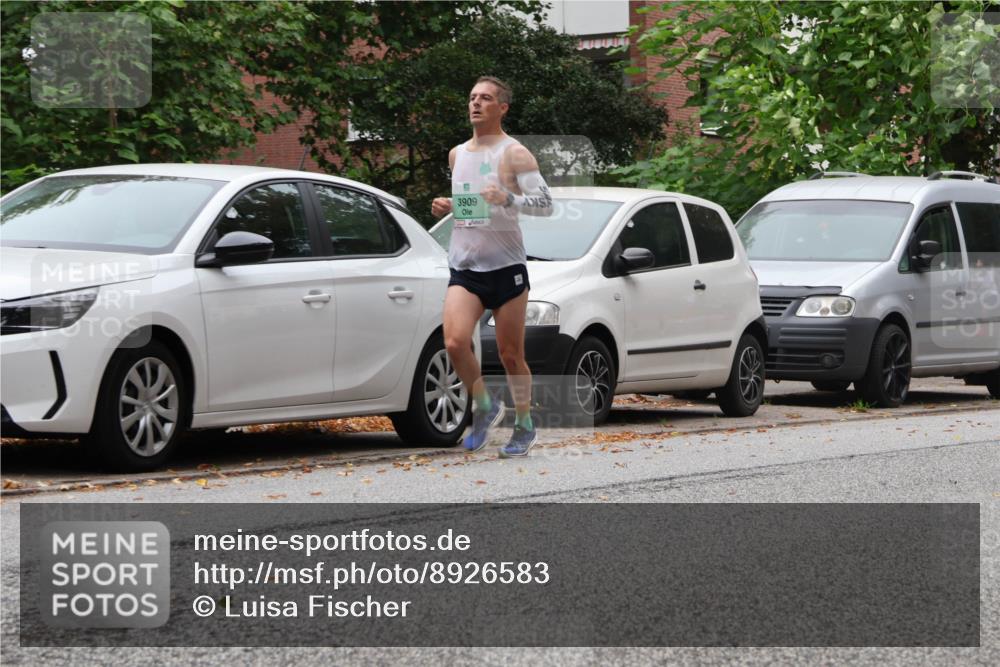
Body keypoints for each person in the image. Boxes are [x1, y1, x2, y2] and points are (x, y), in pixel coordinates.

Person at [431, 75, 553, 457]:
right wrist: (448, 207)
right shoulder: (457, 155)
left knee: (510, 355)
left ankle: (524, 424)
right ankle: (484, 405)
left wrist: (508, 199)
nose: (476, 103)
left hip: (506, 268)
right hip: (466, 266)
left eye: (485, 98)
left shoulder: (516, 154)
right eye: (472, 97)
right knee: (454, 341)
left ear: (502, 108)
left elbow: (546, 203)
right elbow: (471, 205)